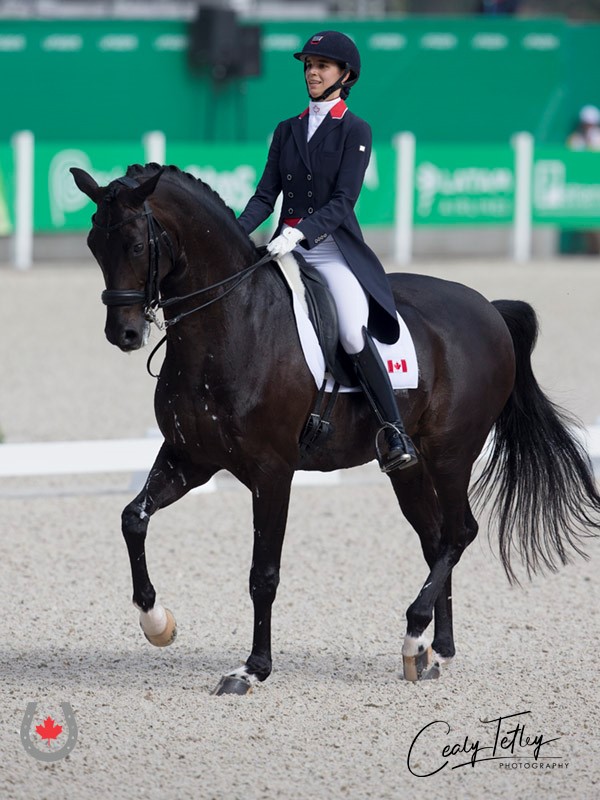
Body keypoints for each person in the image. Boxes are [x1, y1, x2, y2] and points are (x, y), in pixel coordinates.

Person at [238, 30, 417, 472]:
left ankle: (394, 432)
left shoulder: (356, 130)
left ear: (345, 75)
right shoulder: (287, 129)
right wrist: (235, 234)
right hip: (284, 248)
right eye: (308, 66)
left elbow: (343, 202)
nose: (312, 73)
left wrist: (299, 234)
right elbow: (265, 196)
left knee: (353, 332)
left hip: (331, 249)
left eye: (322, 66)